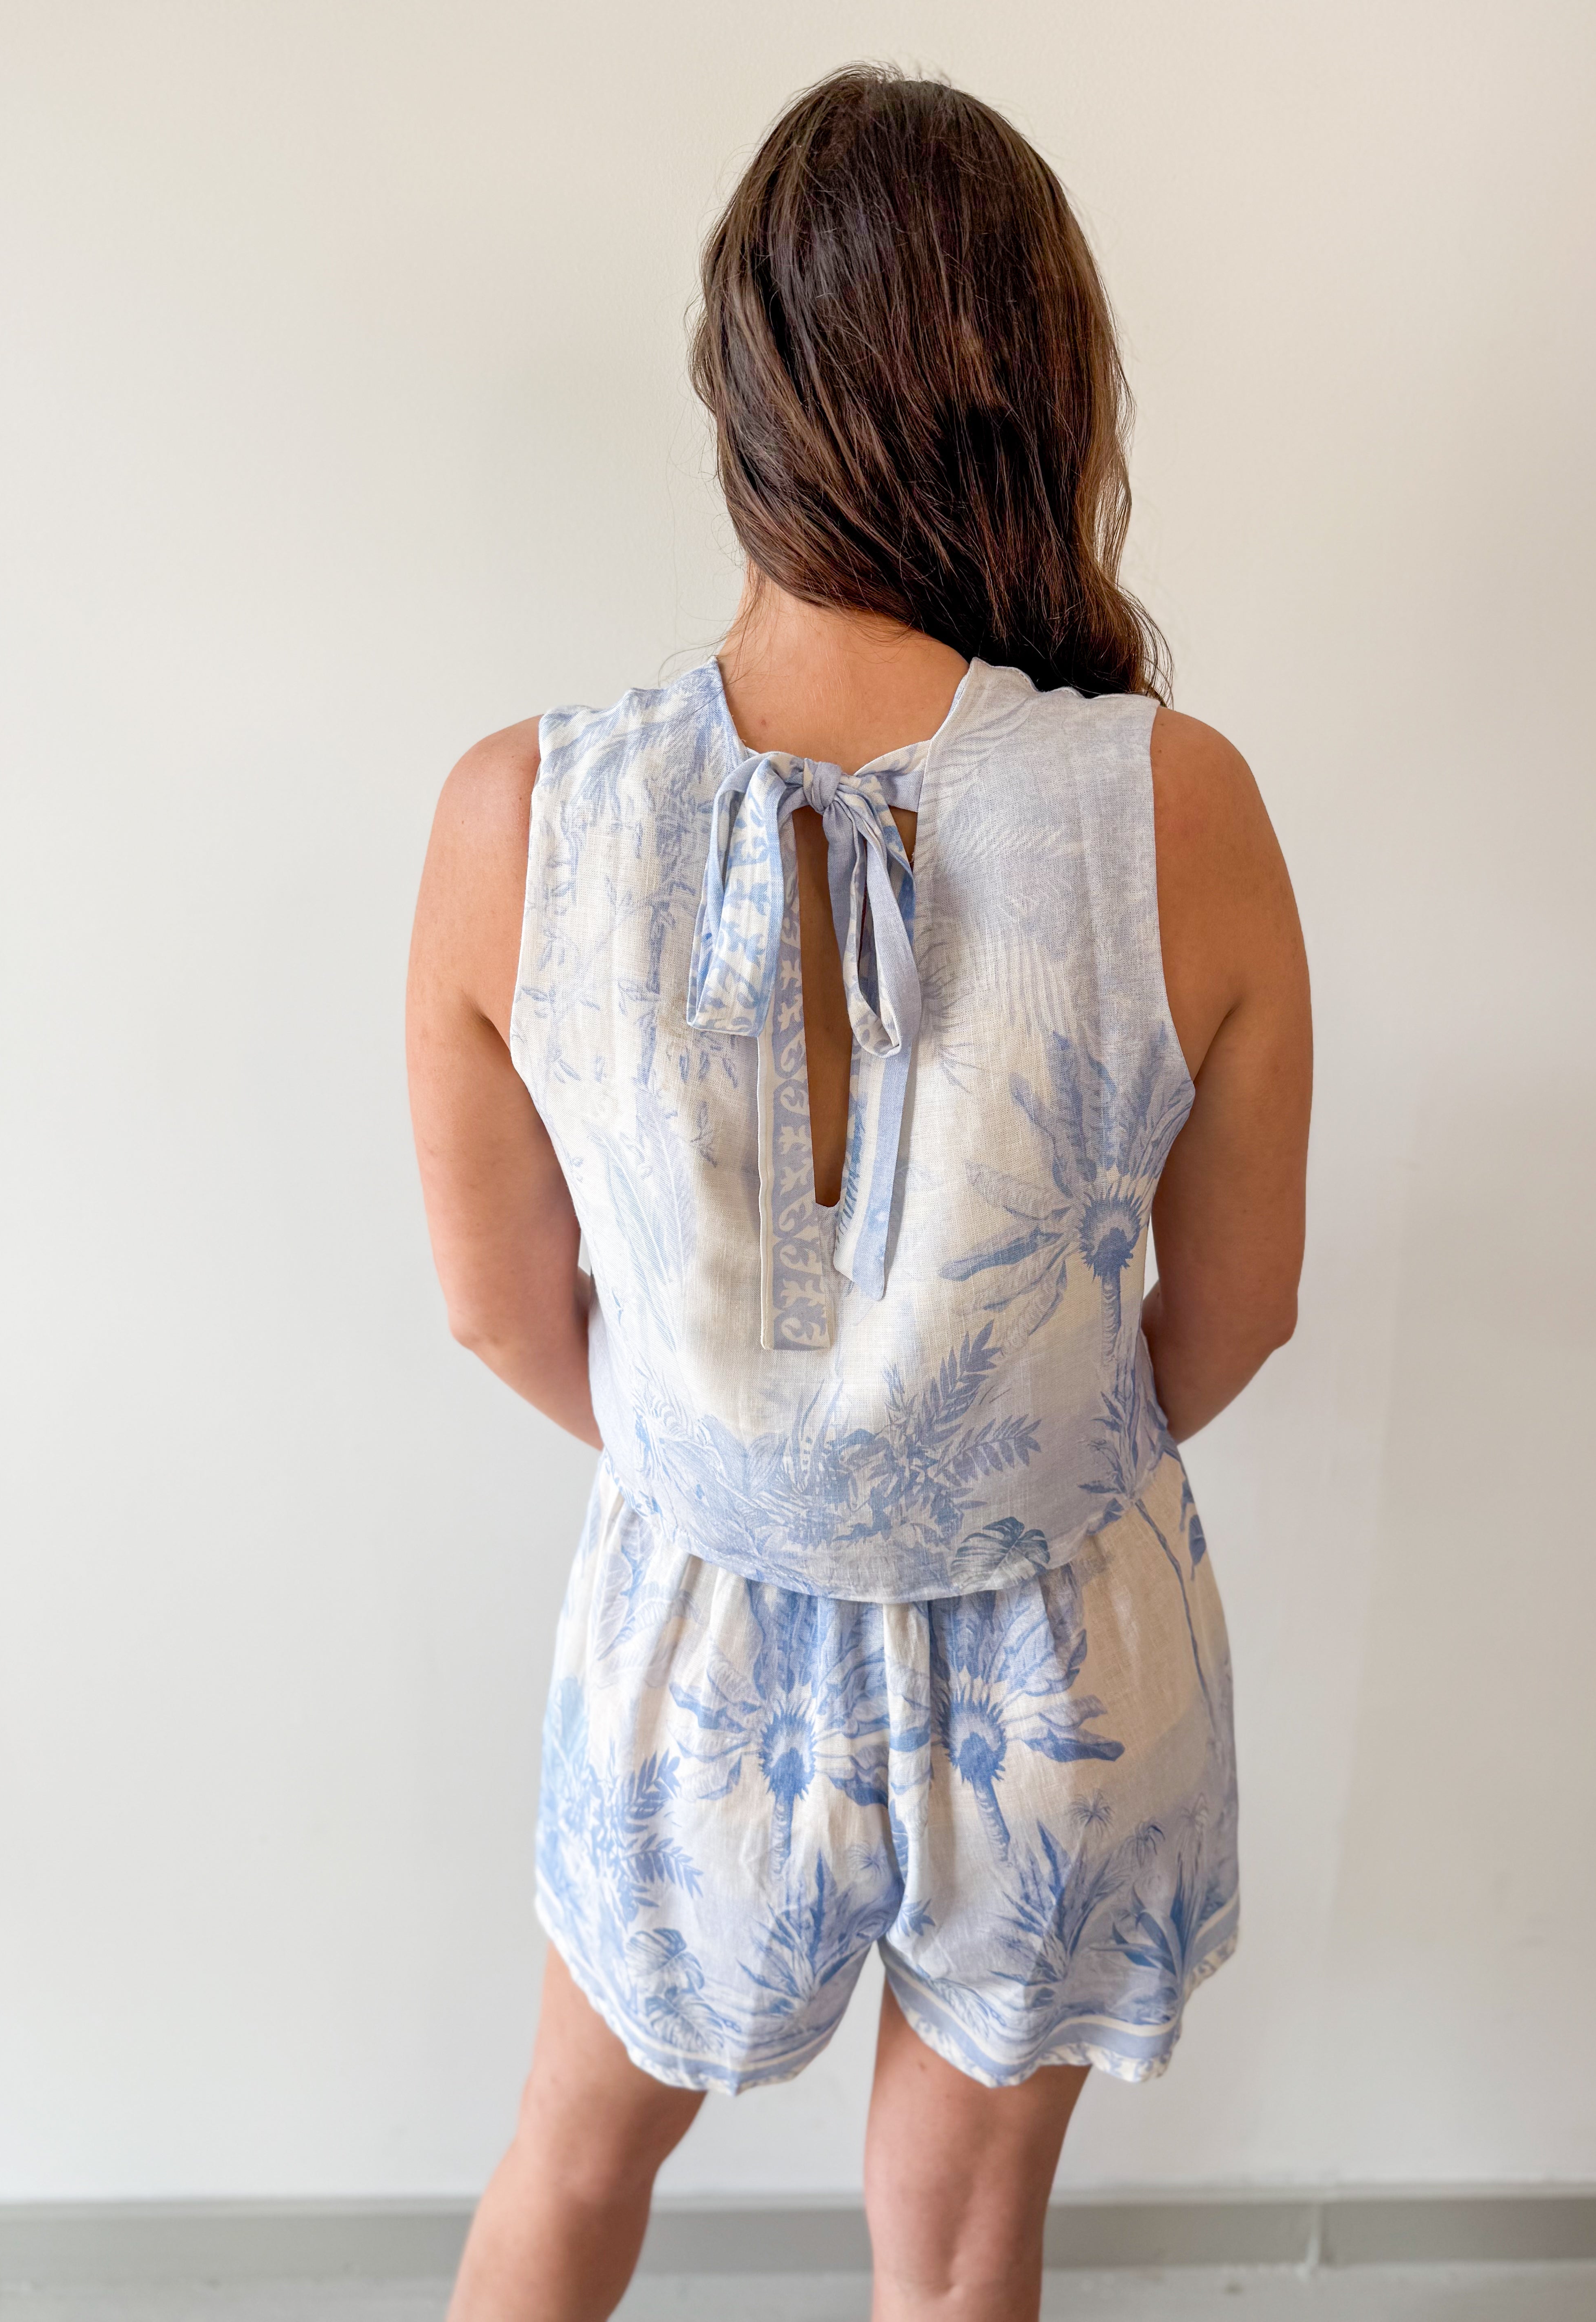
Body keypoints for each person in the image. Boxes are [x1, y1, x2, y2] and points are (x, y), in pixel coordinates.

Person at [407, 63, 1309, 2322]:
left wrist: (759, 1474)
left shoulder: (519, 818)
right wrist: (978, 1466)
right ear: (1048, 394)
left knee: (566, 2170)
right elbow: (1238, 1309)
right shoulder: (1178, 809)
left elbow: (499, 1309)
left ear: (741, 389)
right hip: (1062, 1649)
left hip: (695, 1643)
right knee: (963, 2258)